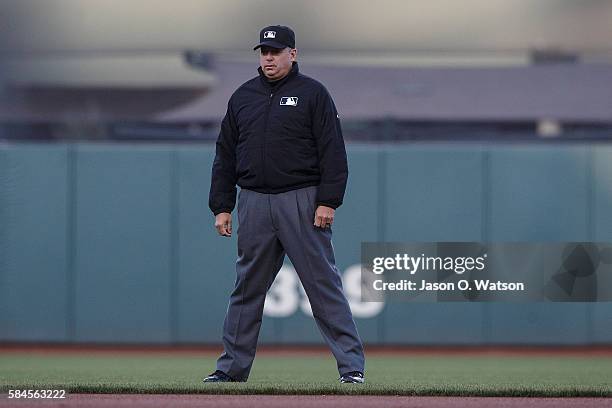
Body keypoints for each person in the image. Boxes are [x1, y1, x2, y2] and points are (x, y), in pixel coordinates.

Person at [204, 25, 365, 384]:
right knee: (247, 288)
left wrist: (328, 201)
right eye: (264, 52)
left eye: (276, 52)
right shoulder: (243, 96)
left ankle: (351, 368)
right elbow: (225, 154)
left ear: (292, 53)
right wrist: (222, 205)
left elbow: (333, 152)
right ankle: (230, 370)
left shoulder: (313, 94)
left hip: (302, 201)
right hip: (255, 202)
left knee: (322, 285)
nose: (269, 58)